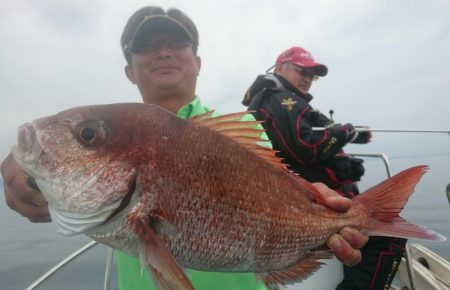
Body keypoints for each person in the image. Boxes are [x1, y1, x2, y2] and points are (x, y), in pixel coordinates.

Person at [1, 7, 369, 290]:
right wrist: (26, 171)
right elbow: (76, 191)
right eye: (145, 46)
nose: (162, 51)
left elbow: (280, 186)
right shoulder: (123, 134)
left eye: (176, 43)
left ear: (197, 62)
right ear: (130, 70)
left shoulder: (243, 127)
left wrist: (321, 206)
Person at [243, 46, 407, 290]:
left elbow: (318, 129)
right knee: (391, 234)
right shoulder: (280, 99)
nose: (308, 79)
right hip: (310, 205)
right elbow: (305, 149)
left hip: (310, 200)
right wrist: (343, 133)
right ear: (279, 68)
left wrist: (352, 134)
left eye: (312, 75)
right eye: (302, 71)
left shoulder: (280, 99)